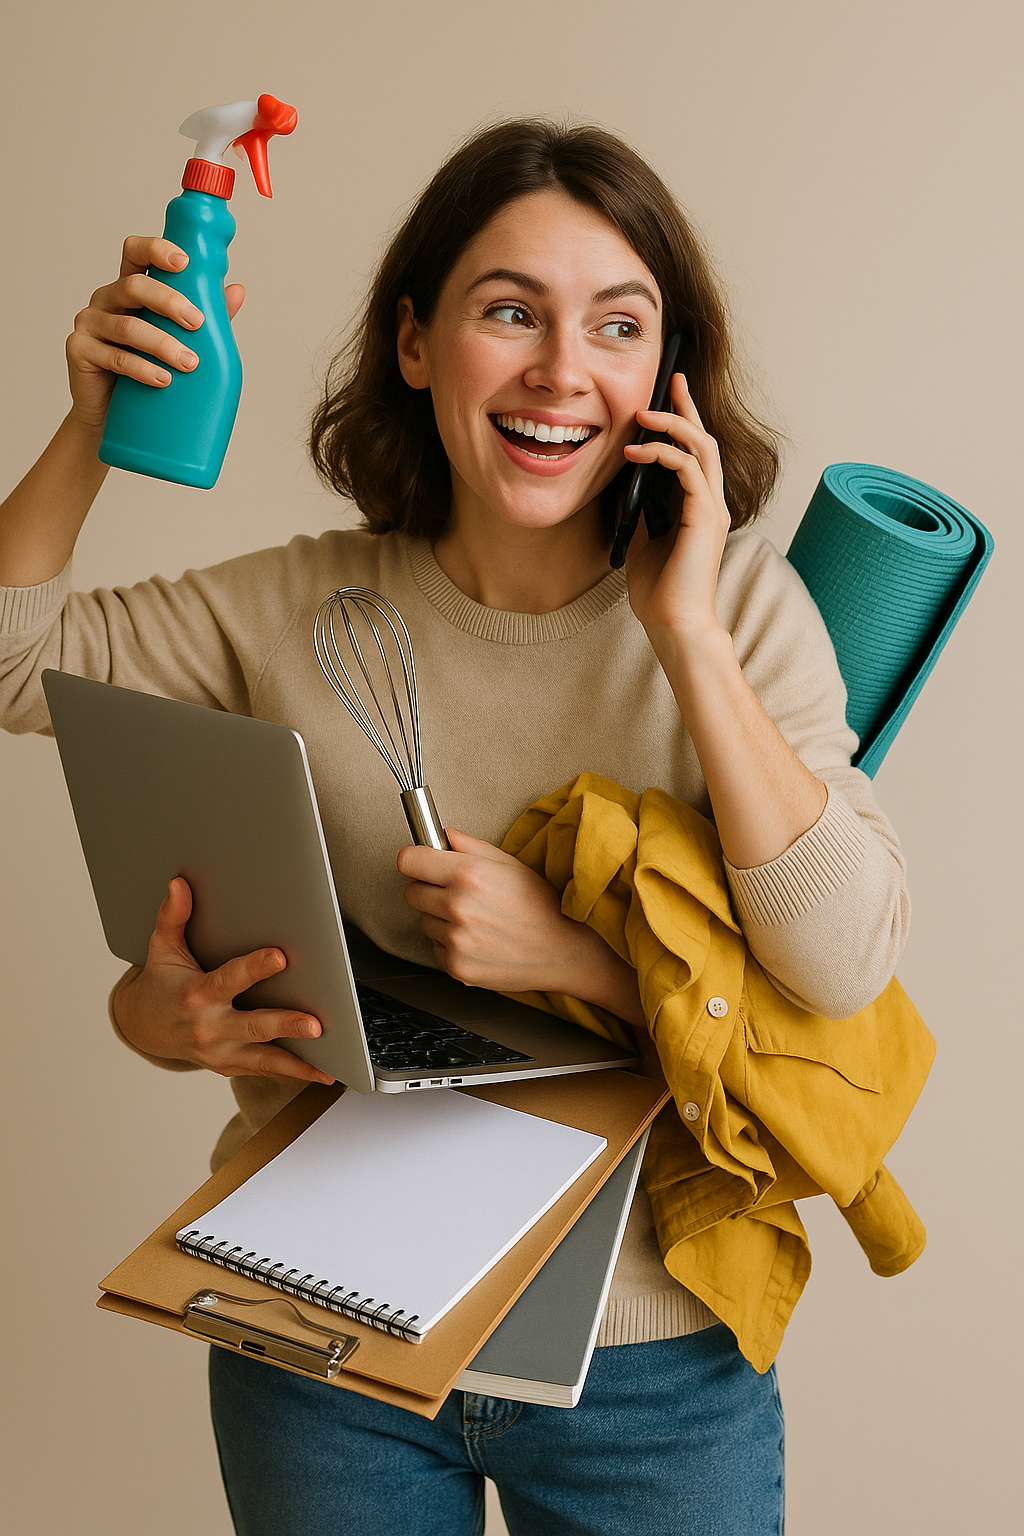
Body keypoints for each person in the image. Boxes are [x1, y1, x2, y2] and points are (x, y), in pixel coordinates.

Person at [0, 119, 908, 1536]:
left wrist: (683, 641)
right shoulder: (294, 606)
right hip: (323, 1334)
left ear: (664, 378)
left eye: (617, 325)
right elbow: (13, 662)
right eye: (511, 312)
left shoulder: (736, 612)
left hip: (650, 1359)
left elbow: (839, 965)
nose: (561, 370)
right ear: (417, 343)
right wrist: (88, 426)